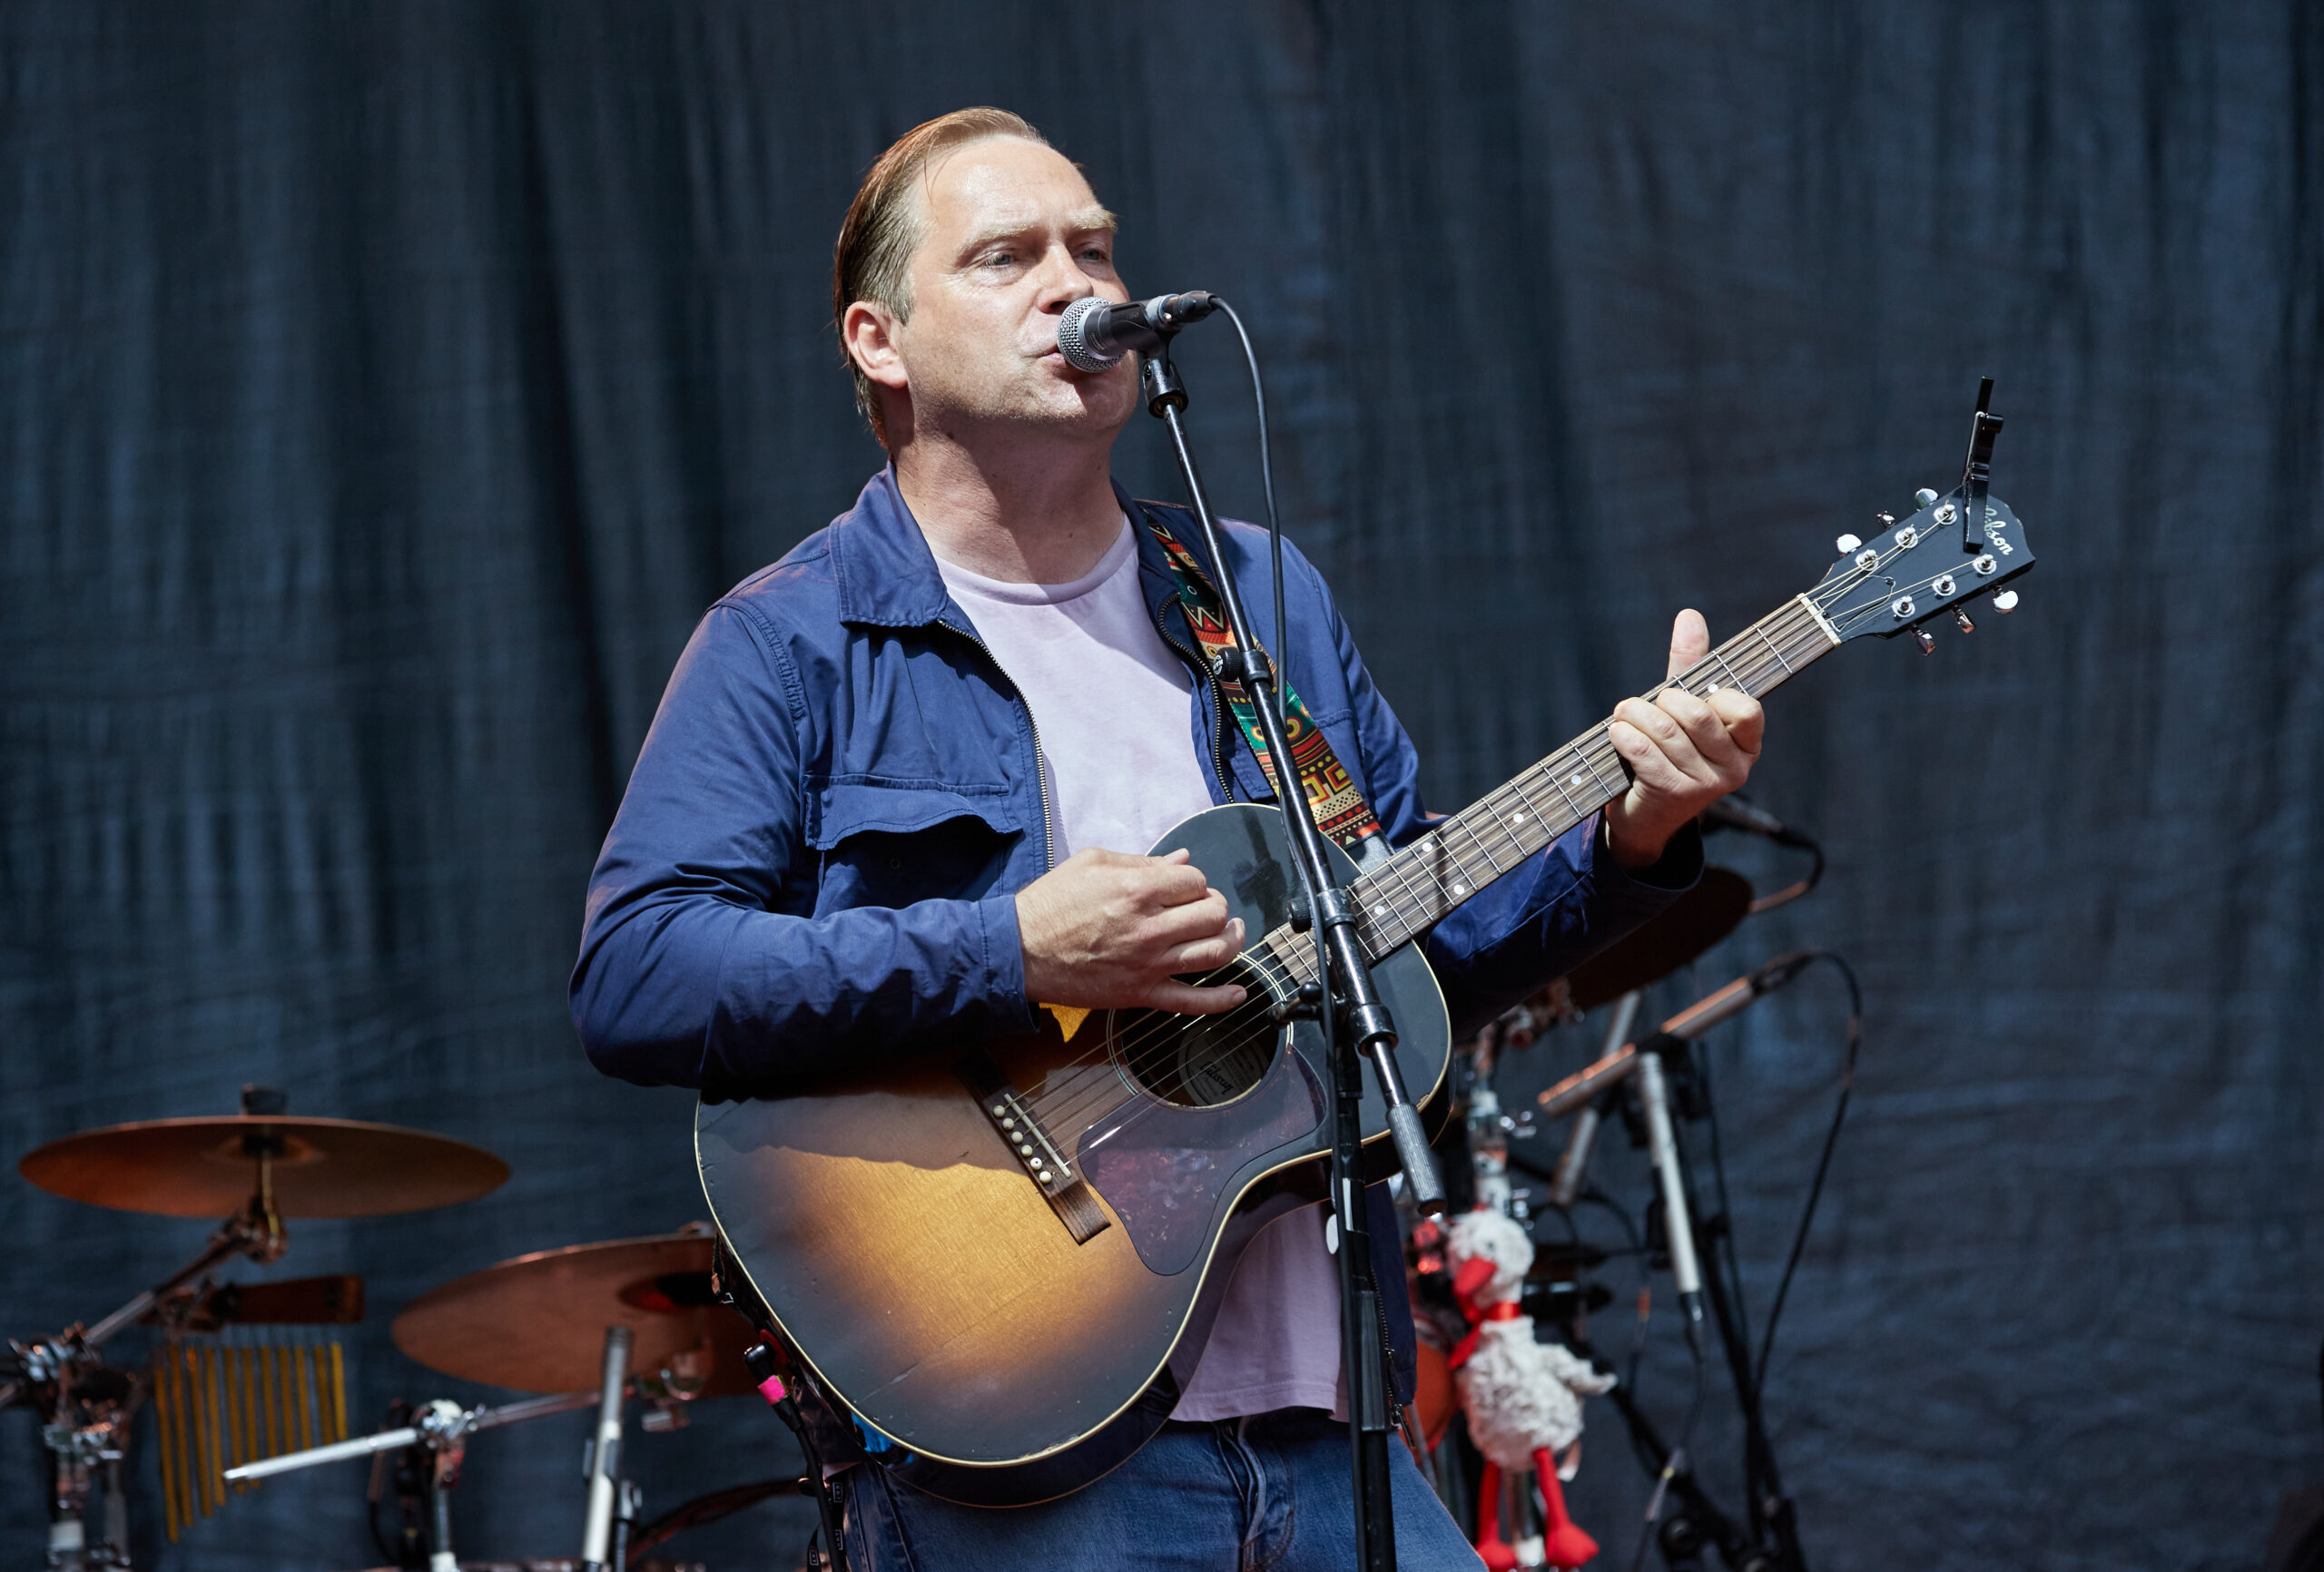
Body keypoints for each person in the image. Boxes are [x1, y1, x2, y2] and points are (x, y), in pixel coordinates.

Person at [572, 106, 1765, 1571]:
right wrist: (1011, 950)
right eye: (1008, 256)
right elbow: (637, 972)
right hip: (1028, 1453)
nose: (1075, 285)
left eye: (1095, 246)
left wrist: (1632, 837)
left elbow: (1411, 946)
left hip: (1337, 1432)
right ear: (881, 343)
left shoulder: (1253, 596)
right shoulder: (793, 638)